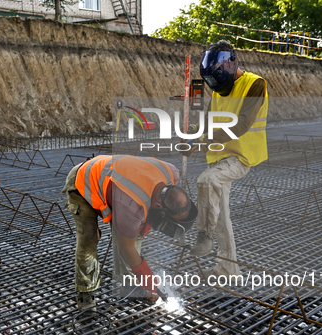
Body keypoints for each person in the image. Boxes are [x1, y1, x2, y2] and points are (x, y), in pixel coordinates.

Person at [62, 155, 197, 311]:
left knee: (135, 233)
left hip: (113, 181)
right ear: (159, 206)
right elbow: (127, 248)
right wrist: (151, 283)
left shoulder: (171, 173)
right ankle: (85, 293)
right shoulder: (132, 205)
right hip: (83, 181)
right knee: (89, 239)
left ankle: (129, 285)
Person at [189, 40, 268, 278]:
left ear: (232, 64)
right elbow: (208, 123)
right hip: (218, 155)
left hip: (241, 156)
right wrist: (191, 134)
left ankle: (204, 235)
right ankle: (228, 271)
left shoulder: (255, 84)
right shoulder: (218, 90)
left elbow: (242, 124)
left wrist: (202, 139)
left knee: (206, 181)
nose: (214, 88)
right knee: (221, 217)